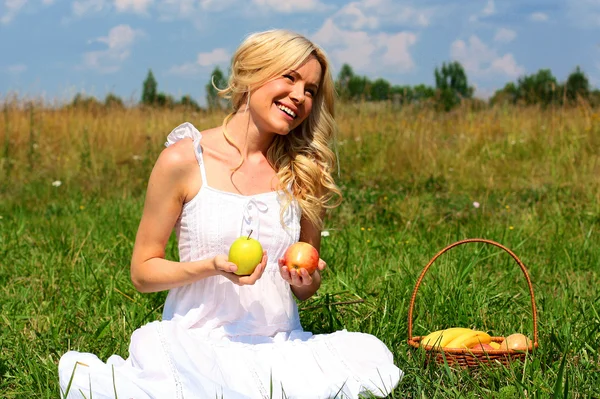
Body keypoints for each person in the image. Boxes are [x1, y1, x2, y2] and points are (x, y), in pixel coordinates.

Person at [58, 29, 402, 399]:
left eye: (311, 90)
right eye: (290, 77)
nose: (300, 97)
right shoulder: (185, 160)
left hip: (277, 345)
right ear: (252, 73)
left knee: (369, 356)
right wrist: (211, 266)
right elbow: (143, 273)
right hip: (197, 345)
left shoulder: (305, 172)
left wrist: (305, 281)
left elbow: (306, 288)